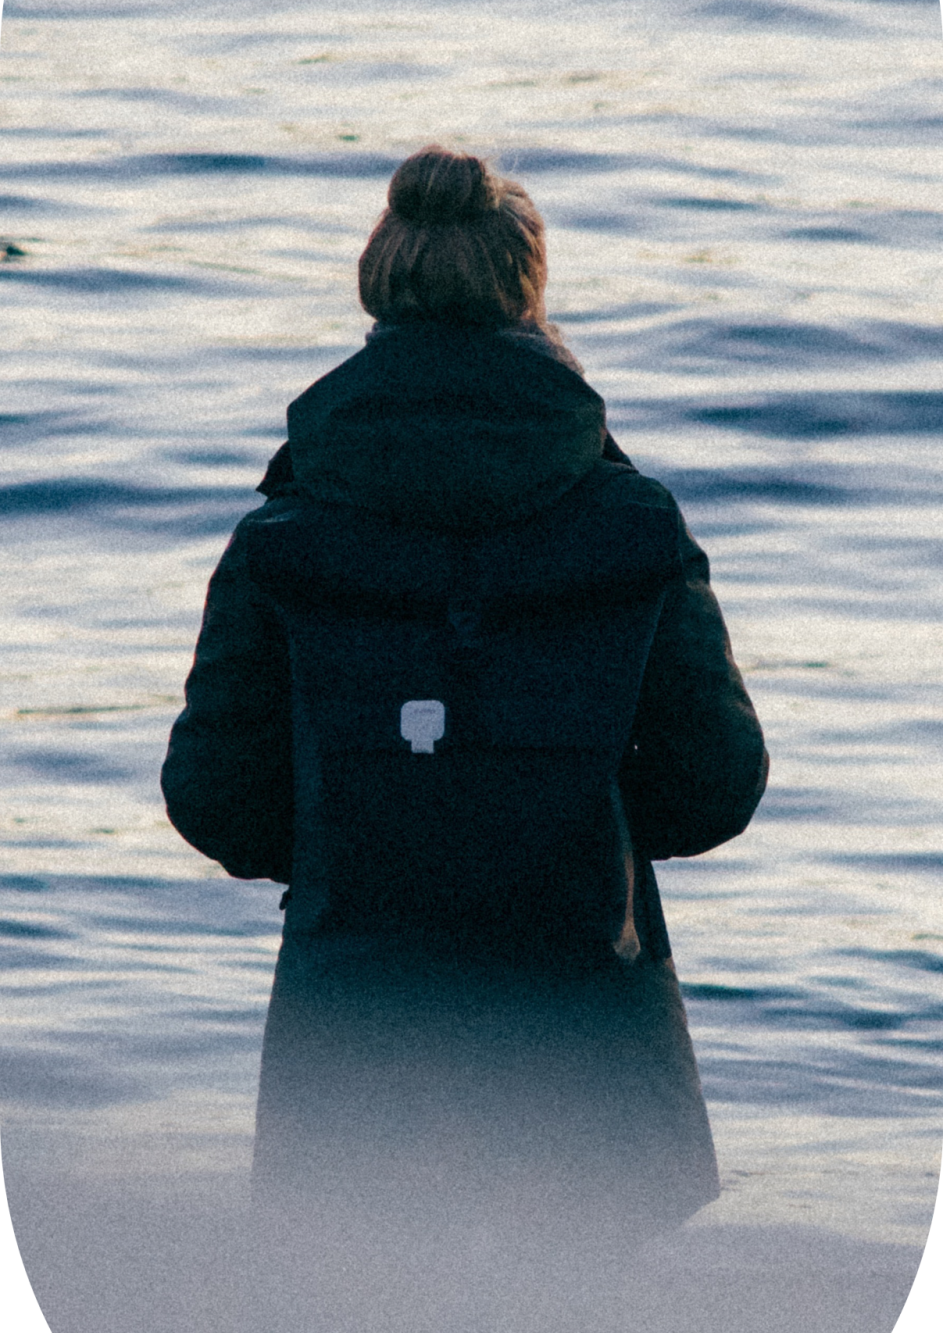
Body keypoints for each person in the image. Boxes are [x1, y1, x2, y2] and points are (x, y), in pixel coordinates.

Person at [161, 146, 768, 1244]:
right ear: (526, 291)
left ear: (378, 287)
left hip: (353, 1041)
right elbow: (714, 786)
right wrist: (570, 810)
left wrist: (366, 829)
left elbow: (214, 798)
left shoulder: (282, 538)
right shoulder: (634, 526)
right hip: (585, 1050)